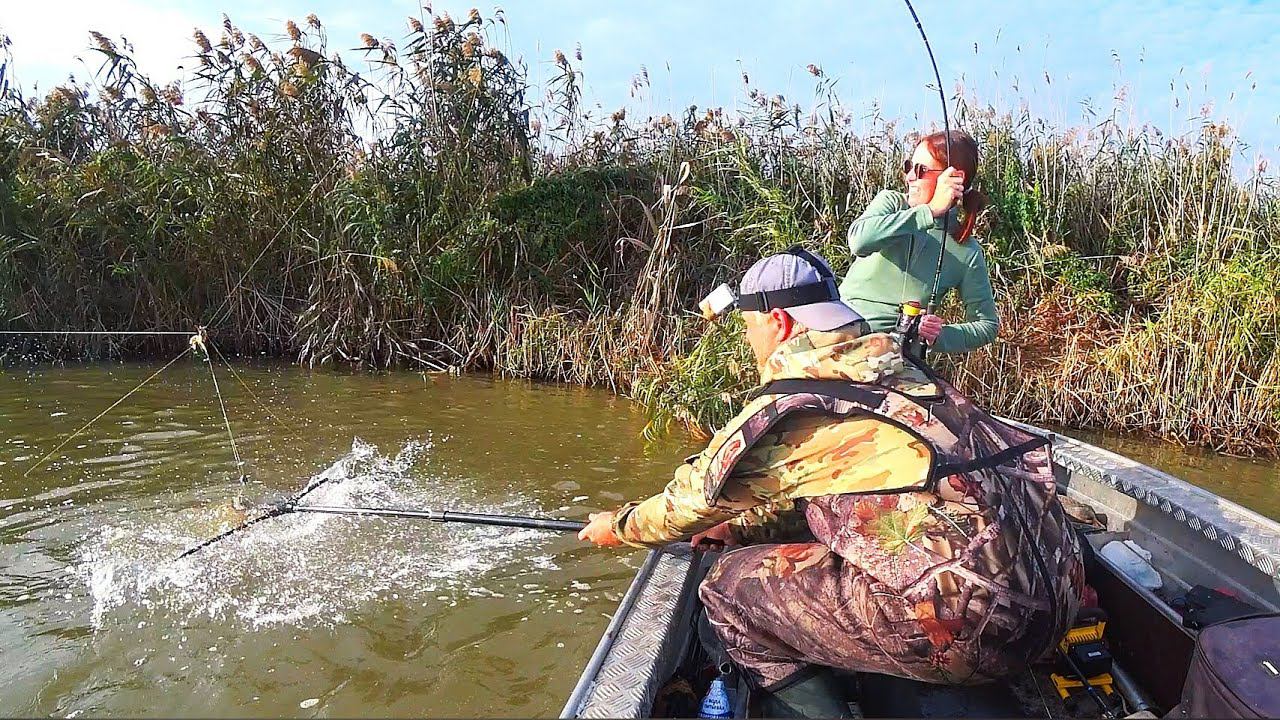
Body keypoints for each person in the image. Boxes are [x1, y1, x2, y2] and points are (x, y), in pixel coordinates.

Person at [579, 247, 1082, 717]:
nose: (749, 340)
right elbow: (841, 495)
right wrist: (744, 529)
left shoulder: (794, 406)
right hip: (1057, 607)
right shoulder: (901, 376)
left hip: (978, 636)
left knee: (727, 590)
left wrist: (618, 525)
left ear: (778, 322)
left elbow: (691, 502)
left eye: (749, 326)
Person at [838, 130, 998, 353]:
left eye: (921, 170)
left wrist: (938, 335)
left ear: (954, 178)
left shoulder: (967, 251)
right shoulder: (892, 203)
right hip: (838, 331)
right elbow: (859, 241)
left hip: (894, 356)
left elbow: (987, 325)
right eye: (908, 167)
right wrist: (929, 212)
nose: (909, 177)